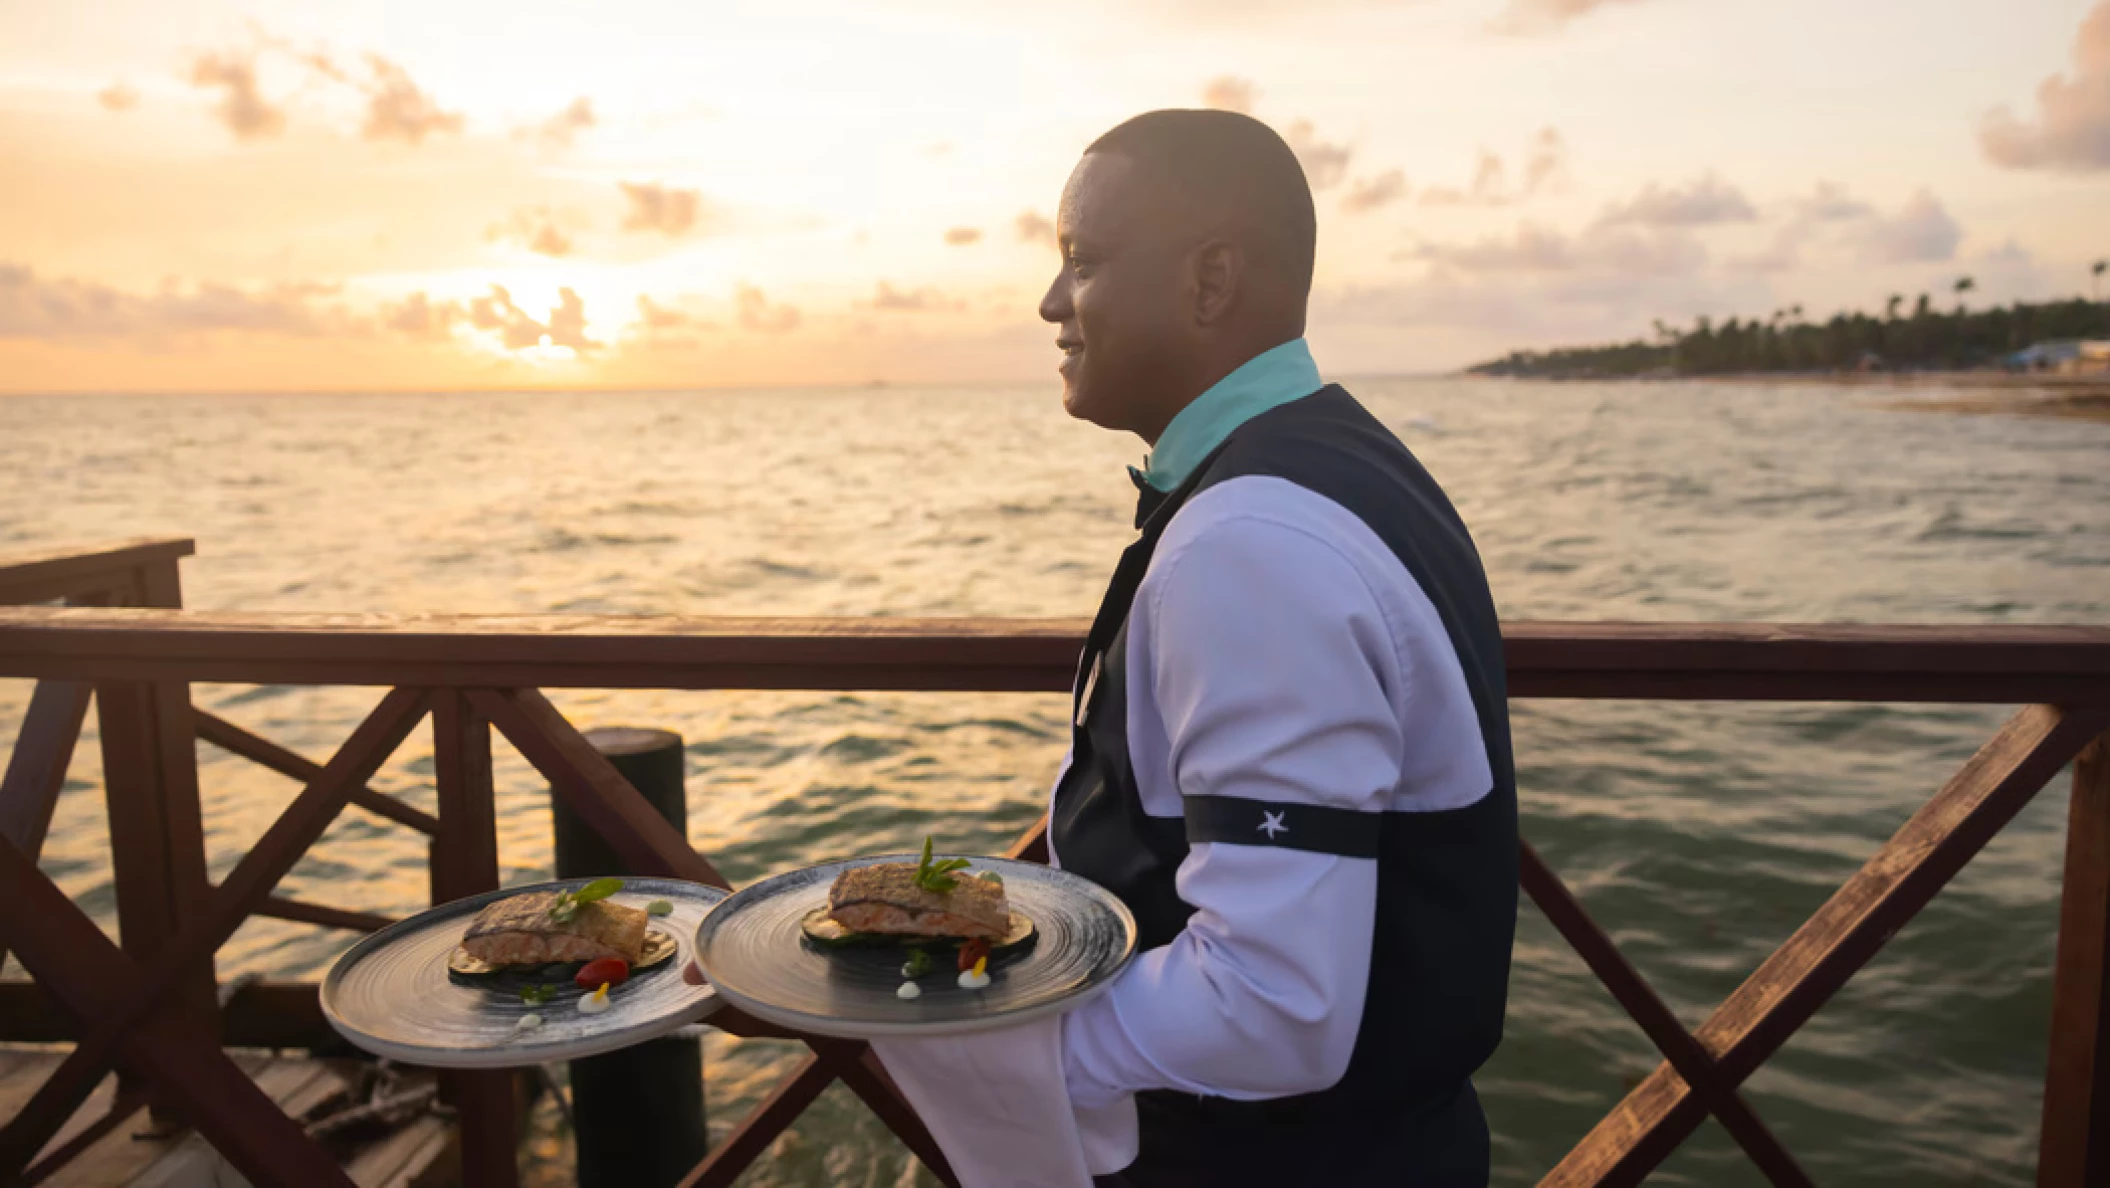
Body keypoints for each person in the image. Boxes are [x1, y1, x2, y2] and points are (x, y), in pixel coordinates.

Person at [1035, 108, 1519, 1186]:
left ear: (1209, 282)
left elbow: (1271, 1007)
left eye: (1084, 263)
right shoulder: (1350, 462)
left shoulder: (1247, 542)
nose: (1052, 303)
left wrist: (988, 1030)